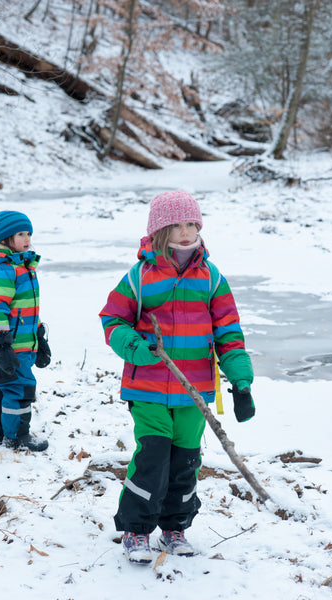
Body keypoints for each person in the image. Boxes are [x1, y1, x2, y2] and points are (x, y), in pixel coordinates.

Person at [99, 190, 254, 564]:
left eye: (191, 224)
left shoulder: (212, 278)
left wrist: (241, 383)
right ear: (159, 231)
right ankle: (136, 530)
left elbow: (228, 332)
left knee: (186, 460)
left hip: (194, 390)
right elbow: (112, 319)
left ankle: (175, 528)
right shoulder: (140, 276)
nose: (186, 233)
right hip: (148, 385)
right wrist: (135, 346)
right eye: (176, 226)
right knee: (153, 456)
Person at [0, 210, 51, 452]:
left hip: (21, 343)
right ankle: (17, 436)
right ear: (6, 238)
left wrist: (39, 336)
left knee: (2, 386)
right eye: (21, 234)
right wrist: (3, 345)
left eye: (28, 233)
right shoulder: (4, 269)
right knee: (19, 389)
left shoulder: (22, 266)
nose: (27, 238)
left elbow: (27, 309)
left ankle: (0, 433)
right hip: (10, 345)